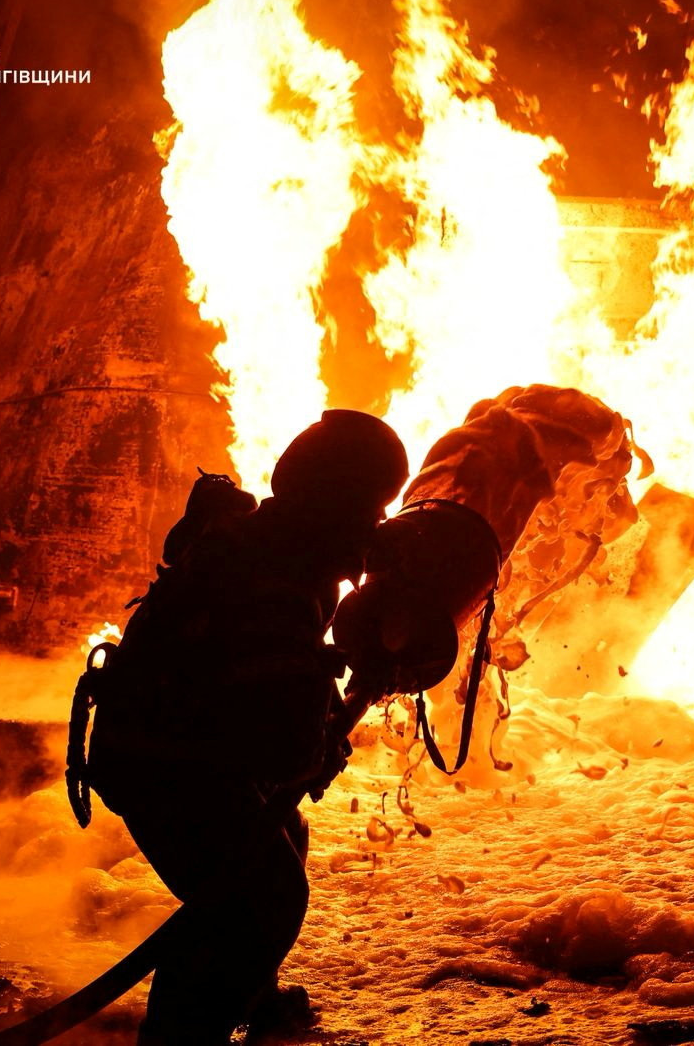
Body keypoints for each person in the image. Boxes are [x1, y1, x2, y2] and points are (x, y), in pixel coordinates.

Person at [85, 409, 408, 1045]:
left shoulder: (270, 547)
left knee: (283, 834)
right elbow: (278, 738)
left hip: (185, 750)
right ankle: (180, 1036)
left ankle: (252, 998)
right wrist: (316, 745)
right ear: (333, 501)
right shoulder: (274, 579)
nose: (374, 527)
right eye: (371, 507)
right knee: (261, 900)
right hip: (163, 763)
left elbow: (268, 714)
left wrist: (316, 734)